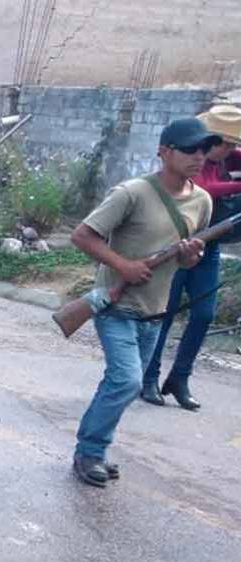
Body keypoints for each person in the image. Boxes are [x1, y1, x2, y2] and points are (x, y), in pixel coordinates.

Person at [68, 117, 214, 487]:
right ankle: (90, 451)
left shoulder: (203, 201)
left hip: (156, 311)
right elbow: (82, 235)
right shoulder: (131, 192)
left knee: (125, 384)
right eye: (189, 149)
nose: (199, 156)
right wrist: (124, 266)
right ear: (164, 152)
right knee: (127, 380)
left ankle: (94, 448)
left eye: (203, 149)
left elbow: (187, 261)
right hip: (115, 304)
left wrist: (191, 256)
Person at [142, 105, 241, 411]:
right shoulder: (192, 161)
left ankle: (179, 378)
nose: (230, 150)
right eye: (226, 144)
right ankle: (149, 376)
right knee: (166, 312)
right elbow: (206, 189)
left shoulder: (228, 158)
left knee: (203, 315)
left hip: (208, 246)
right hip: (176, 245)